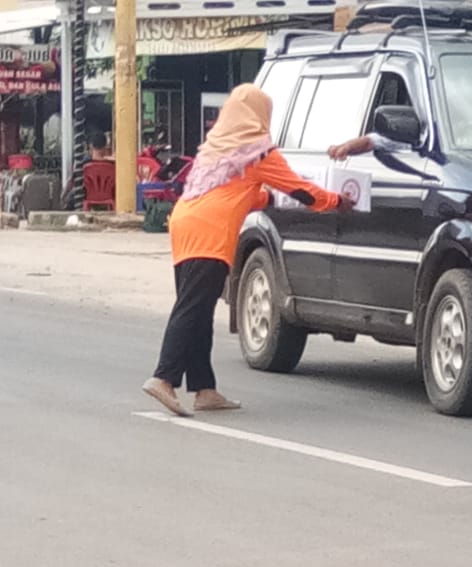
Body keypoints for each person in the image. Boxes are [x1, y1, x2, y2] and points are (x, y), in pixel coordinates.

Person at [141, 83, 354, 417]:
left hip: (184, 224)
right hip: (210, 234)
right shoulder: (258, 152)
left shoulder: (215, 147)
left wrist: (265, 198)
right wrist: (336, 201)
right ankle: (164, 377)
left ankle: (204, 389)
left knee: (198, 307)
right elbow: (301, 190)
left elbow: (229, 191)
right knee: (192, 308)